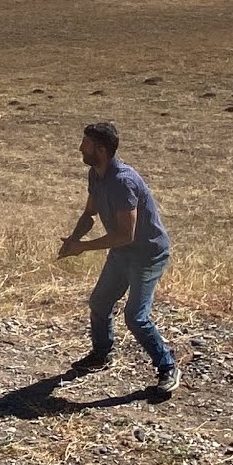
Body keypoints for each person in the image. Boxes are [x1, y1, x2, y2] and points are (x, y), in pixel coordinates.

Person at [56, 122, 180, 393]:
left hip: (147, 255)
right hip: (123, 253)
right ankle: (101, 355)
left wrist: (83, 247)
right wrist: (73, 240)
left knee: (135, 317)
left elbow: (126, 235)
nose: (80, 148)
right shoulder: (95, 174)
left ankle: (168, 367)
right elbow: (89, 213)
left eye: (85, 144)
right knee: (99, 302)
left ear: (100, 149)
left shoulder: (123, 181)